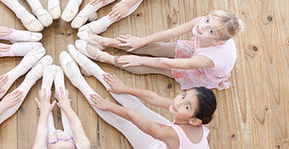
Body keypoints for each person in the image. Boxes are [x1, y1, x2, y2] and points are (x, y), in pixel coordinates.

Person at [62, 45, 215, 149]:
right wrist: (124, 88)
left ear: (195, 121)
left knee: (124, 123)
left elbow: (131, 117)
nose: (178, 102)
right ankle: (95, 70)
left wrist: (108, 105)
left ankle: (80, 83)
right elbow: (153, 97)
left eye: (187, 106)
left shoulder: (168, 132)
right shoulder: (186, 113)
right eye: (183, 96)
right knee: (141, 108)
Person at [76, 10, 242, 90]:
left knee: (154, 66)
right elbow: (171, 33)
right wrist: (141, 41)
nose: (202, 26)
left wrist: (139, 59)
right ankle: (107, 42)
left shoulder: (207, 58)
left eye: (210, 30)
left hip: (201, 72)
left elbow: (164, 62)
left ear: (216, 41)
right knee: (158, 47)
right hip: (198, 50)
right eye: (207, 20)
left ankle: (105, 58)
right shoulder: (202, 25)